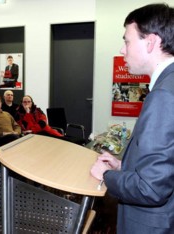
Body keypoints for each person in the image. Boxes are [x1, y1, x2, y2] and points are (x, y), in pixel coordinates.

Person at [90, 4, 174, 233]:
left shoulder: (163, 96)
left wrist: (107, 176)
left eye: (127, 41)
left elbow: (151, 188)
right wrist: (123, 166)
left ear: (151, 42)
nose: (122, 49)